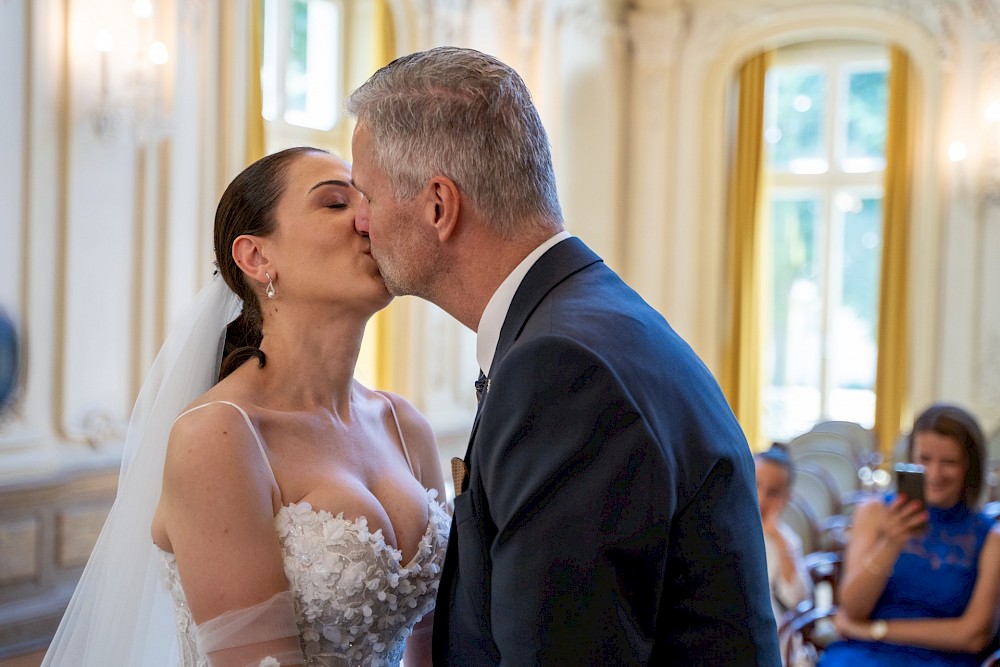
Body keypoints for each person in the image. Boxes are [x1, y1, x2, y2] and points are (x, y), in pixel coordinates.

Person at [345, 46, 780, 665]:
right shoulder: (590, 317)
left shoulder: (560, 369)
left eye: (365, 194)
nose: (359, 222)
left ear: (438, 205)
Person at [42, 147, 450, 667]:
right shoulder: (218, 437)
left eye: (367, 200)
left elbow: (436, 643)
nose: (367, 220)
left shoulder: (403, 425)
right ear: (257, 258)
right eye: (334, 204)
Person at [818, 403, 1000, 666]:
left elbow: (974, 636)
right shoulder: (874, 512)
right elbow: (853, 608)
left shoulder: (989, 538)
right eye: (924, 460)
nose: (935, 474)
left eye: (949, 462)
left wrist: (874, 631)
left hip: (942, 660)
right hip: (862, 655)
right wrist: (891, 543)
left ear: (970, 468)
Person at [755, 443, 813, 663]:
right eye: (756, 485)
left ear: (785, 498)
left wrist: (778, 538)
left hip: (773, 634)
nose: (760, 499)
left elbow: (796, 598)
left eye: (772, 493)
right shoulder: (723, 528)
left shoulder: (786, 541)